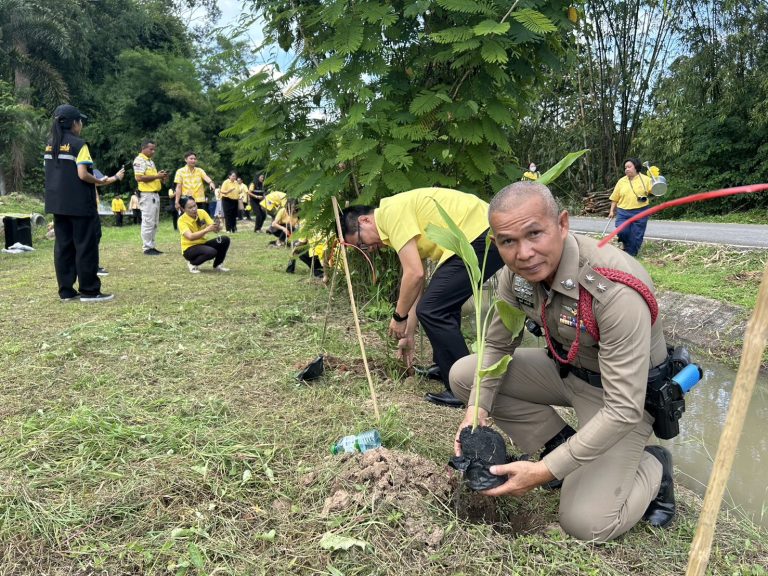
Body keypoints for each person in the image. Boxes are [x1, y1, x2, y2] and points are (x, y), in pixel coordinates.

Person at [449, 181, 675, 542]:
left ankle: (653, 466)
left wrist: (542, 471)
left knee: (586, 523)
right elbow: (496, 346)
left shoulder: (613, 288)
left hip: (623, 399)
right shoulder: (515, 276)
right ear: (497, 243)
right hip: (566, 372)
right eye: (508, 241)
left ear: (563, 224)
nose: (524, 253)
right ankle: (560, 444)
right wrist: (475, 409)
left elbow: (623, 409)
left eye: (534, 233)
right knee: (465, 375)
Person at [340, 188, 504, 408]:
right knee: (440, 305)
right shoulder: (395, 217)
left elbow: (414, 274)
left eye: (361, 243)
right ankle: (449, 368)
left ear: (365, 220)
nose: (367, 250)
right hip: (475, 235)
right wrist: (408, 331)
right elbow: (417, 283)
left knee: (434, 309)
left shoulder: (390, 213)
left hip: (479, 234)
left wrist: (398, 317)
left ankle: (464, 388)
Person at [44, 104, 124, 302]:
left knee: (64, 247)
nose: (81, 125)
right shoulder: (79, 145)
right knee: (85, 246)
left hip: (57, 204)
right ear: (74, 123)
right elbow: (83, 174)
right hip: (79, 204)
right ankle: (89, 291)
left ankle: (66, 291)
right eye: (80, 121)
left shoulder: (49, 144)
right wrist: (101, 180)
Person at [608, 157, 652, 256]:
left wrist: (656, 179)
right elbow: (615, 198)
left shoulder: (646, 179)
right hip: (623, 212)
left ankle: (630, 254)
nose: (627, 169)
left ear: (636, 167)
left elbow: (656, 191)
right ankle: (625, 244)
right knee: (622, 231)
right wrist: (611, 211)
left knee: (637, 235)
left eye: (629, 167)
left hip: (641, 211)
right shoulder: (621, 181)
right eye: (625, 167)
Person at [133, 140, 169, 255]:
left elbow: (152, 177)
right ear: (143, 148)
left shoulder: (151, 162)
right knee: (148, 221)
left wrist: (161, 176)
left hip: (155, 194)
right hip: (147, 195)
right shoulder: (139, 160)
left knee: (154, 222)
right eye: (151, 149)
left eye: (154, 149)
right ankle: (147, 247)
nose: (153, 151)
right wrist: (156, 176)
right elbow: (139, 178)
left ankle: (152, 246)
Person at [177, 196, 230, 274]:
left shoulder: (202, 212)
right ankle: (192, 263)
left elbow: (213, 228)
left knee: (225, 239)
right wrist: (206, 230)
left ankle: (218, 265)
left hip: (202, 244)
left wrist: (217, 226)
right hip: (189, 248)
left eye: (195, 205)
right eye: (190, 207)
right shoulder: (181, 220)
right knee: (211, 252)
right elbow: (190, 237)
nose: (194, 209)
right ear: (183, 209)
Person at [174, 151, 216, 216]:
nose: (193, 160)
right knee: (188, 221)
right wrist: (176, 202)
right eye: (191, 159)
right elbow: (178, 187)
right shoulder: (180, 171)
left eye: (195, 159)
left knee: (201, 221)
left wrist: (211, 183)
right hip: (187, 201)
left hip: (200, 200)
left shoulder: (200, 170)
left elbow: (206, 178)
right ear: (185, 159)